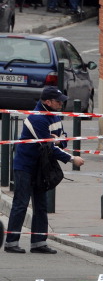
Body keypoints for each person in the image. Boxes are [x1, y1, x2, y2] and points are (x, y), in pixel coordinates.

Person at [5, 86, 85, 254]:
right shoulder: (37, 119)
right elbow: (49, 146)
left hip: (41, 166)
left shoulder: (54, 116)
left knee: (41, 205)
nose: (61, 104)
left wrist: (58, 141)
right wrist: (71, 158)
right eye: (58, 101)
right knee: (21, 203)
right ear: (47, 102)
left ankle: (39, 242)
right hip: (25, 166)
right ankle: (11, 242)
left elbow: (63, 139)